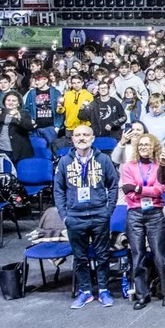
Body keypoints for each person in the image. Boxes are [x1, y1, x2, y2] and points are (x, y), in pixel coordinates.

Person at [53, 125, 121, 309]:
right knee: (80, 257)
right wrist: (64, 215)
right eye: (78, 135)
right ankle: (85, 291)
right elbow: (58, 190)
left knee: (102, 255)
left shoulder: (103, 159)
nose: (81, 138)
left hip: (99, 215)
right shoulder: (64, 162)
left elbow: (113, 185)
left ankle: (104, 290)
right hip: (75, 217)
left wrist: (108, 211)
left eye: (85, 134)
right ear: (72, 139)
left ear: (93, 138)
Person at [120, 132, 165, 309]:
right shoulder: (128, 167)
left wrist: (138, 188)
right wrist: (146, 190)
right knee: (138, 256)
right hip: (134, 214)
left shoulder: (160, 166)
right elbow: (127, 191)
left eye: (147, 145)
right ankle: (142, 295)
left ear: (154, 148)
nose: (144, 147)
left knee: (161, 255)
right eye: (141, 145)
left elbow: (160, 189)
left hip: (155, 214)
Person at [0, 92, 35, 165]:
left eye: (14, 101)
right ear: (4, 102)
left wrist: (19, 118)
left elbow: (29, 127)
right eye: (8, 100)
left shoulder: (24, 114)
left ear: (18, 103)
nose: (10, 103)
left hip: (19, 152)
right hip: (0, 150)